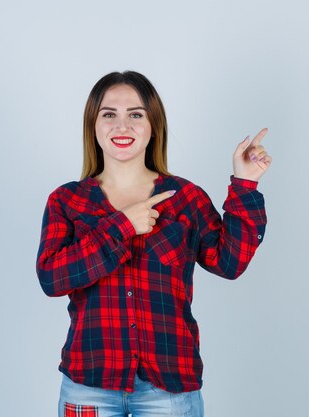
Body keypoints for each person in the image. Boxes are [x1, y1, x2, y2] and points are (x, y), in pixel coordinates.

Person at [36, 71, 271, 417]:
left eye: (135, 114)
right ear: (93, 125)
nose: (122, 126)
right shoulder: (67, 201)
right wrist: (122, 227)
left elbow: (229, 262)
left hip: (170, 387)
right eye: (109, 115)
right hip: (90, 384)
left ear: (153, 124)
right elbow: (52, 278)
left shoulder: (184, 198)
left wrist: (245, 184)